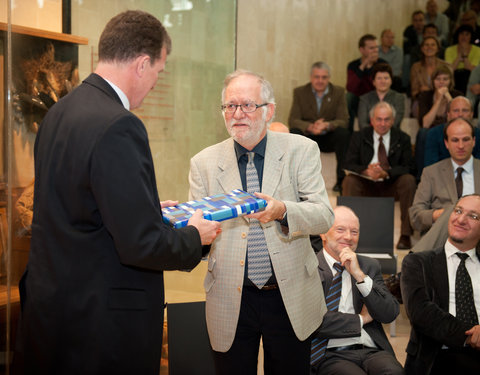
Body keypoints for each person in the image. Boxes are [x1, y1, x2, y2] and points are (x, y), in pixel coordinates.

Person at [15, 10, 221, 374]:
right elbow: (141, 244)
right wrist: (195, 236)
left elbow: (73, 203)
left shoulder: (60, 112)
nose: (156, 81)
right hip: (100, 328)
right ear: (142, 64)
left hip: (54, 312)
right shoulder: (119, 125)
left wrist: (141, 207)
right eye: (158, 71)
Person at [189, 70, 334, 375]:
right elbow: (198, 233)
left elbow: (323, 215)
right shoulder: (203, 162)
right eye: (230, 106)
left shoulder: (301, 150)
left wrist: (282, 210)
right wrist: (187, 229)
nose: (237, 114)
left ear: (269, 110)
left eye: (247, 105)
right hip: (231, 297)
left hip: (289, 294)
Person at [310, 206, 404, 375]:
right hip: (330, 352)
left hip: (371, 349)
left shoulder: (368, 266)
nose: (348, 237)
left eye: (354, 232)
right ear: (323, 233)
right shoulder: (310, 268)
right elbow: (314, 322)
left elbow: (389, 313)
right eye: (340, 229)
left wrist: (360, 276)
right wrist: (361, 319)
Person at [401, 194, 480, 375]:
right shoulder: (418, 262)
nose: (461, 219)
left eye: (473, 216)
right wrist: (471, 336)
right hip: (437, 356)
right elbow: (421, 313)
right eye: (458, 211)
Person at [342, 102, 416, 250]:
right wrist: (365, 171)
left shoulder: (403, 138)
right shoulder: (359, 136)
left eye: (387, 119)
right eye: (379, 119)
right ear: (372, 120)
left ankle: (405, 235)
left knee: (409, 181)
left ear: (393, 120)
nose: (382, 123)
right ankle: (348, 231)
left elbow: (409, 167)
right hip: (366, 184)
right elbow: (348, 163)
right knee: (349, 181)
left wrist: (386, 173)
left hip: (391, 184)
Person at [411, 117, 480, 253]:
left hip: (476, 237)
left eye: (465, 139)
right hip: (442, 240)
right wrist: (439, 215)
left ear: (474, 141)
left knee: (459, 210)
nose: (460, 145)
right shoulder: (431, 172)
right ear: (446, 143)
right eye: (455, 140)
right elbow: (415, 216)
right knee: (452, 211)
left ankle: (414, 257)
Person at [289, 61, 350, 192]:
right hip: (308, 137)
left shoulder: (338, 92)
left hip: (328, 136)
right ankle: (295, 180)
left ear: (329, 78)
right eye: (317, 77)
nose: (320, 81)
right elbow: (293, 120)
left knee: (343, 133)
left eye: (324, 77)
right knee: (293, 131)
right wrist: (310, 126)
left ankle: (341, 180)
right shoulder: (300, 92)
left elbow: (344, 120)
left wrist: (327, 125)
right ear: (311, 77)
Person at [424, 95, 480, 167]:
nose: (460, 114)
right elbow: (431, 166)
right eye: (456, 110)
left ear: (472, 114)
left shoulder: (478, 134)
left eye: (465, 110)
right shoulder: (433, 134)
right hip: (441, 176)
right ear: (448, 114)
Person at [346, 34, 386, 133]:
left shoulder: (383, 64)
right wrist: (363, 66)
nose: (375, 50)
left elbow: (383, 86)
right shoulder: (353, 65)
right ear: (362, 50)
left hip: (377, 99)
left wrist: (372, 68)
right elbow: (351, 87)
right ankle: (348, 133)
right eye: (371, 48)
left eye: (377, 47)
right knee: (348, 97)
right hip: (359, 101)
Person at [410, 36, 450, 117]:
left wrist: (429, 90)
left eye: (433, 45)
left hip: (443, 98)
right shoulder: (416, 67)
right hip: (423, 100)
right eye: (426, 45)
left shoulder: (446, 66)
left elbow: (450, 86)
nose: (429, 47)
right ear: (422, 48)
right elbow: (414, 92)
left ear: (438, 49)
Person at [358, 63, 405, 129]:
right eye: (379, 78)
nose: (383, 81)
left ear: (391, 81)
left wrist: (381, 132)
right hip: (369, 136)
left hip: (391, 136)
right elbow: (362, 123)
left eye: (386, 78)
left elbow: (395, 122)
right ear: (373, 82)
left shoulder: (399, 98)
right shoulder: (364, 98)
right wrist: (375, 134)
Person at [445, 24, 480, 93]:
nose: (464, 37)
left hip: (470, 78)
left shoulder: (478, 50)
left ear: (471, 36)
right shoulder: (449, 50)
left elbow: (471, 69)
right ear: (458, 35)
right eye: (461, 34)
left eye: (467, 34)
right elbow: (450, 70)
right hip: (454, 77)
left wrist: (464, 56)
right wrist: (459, 56)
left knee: (466, 75)